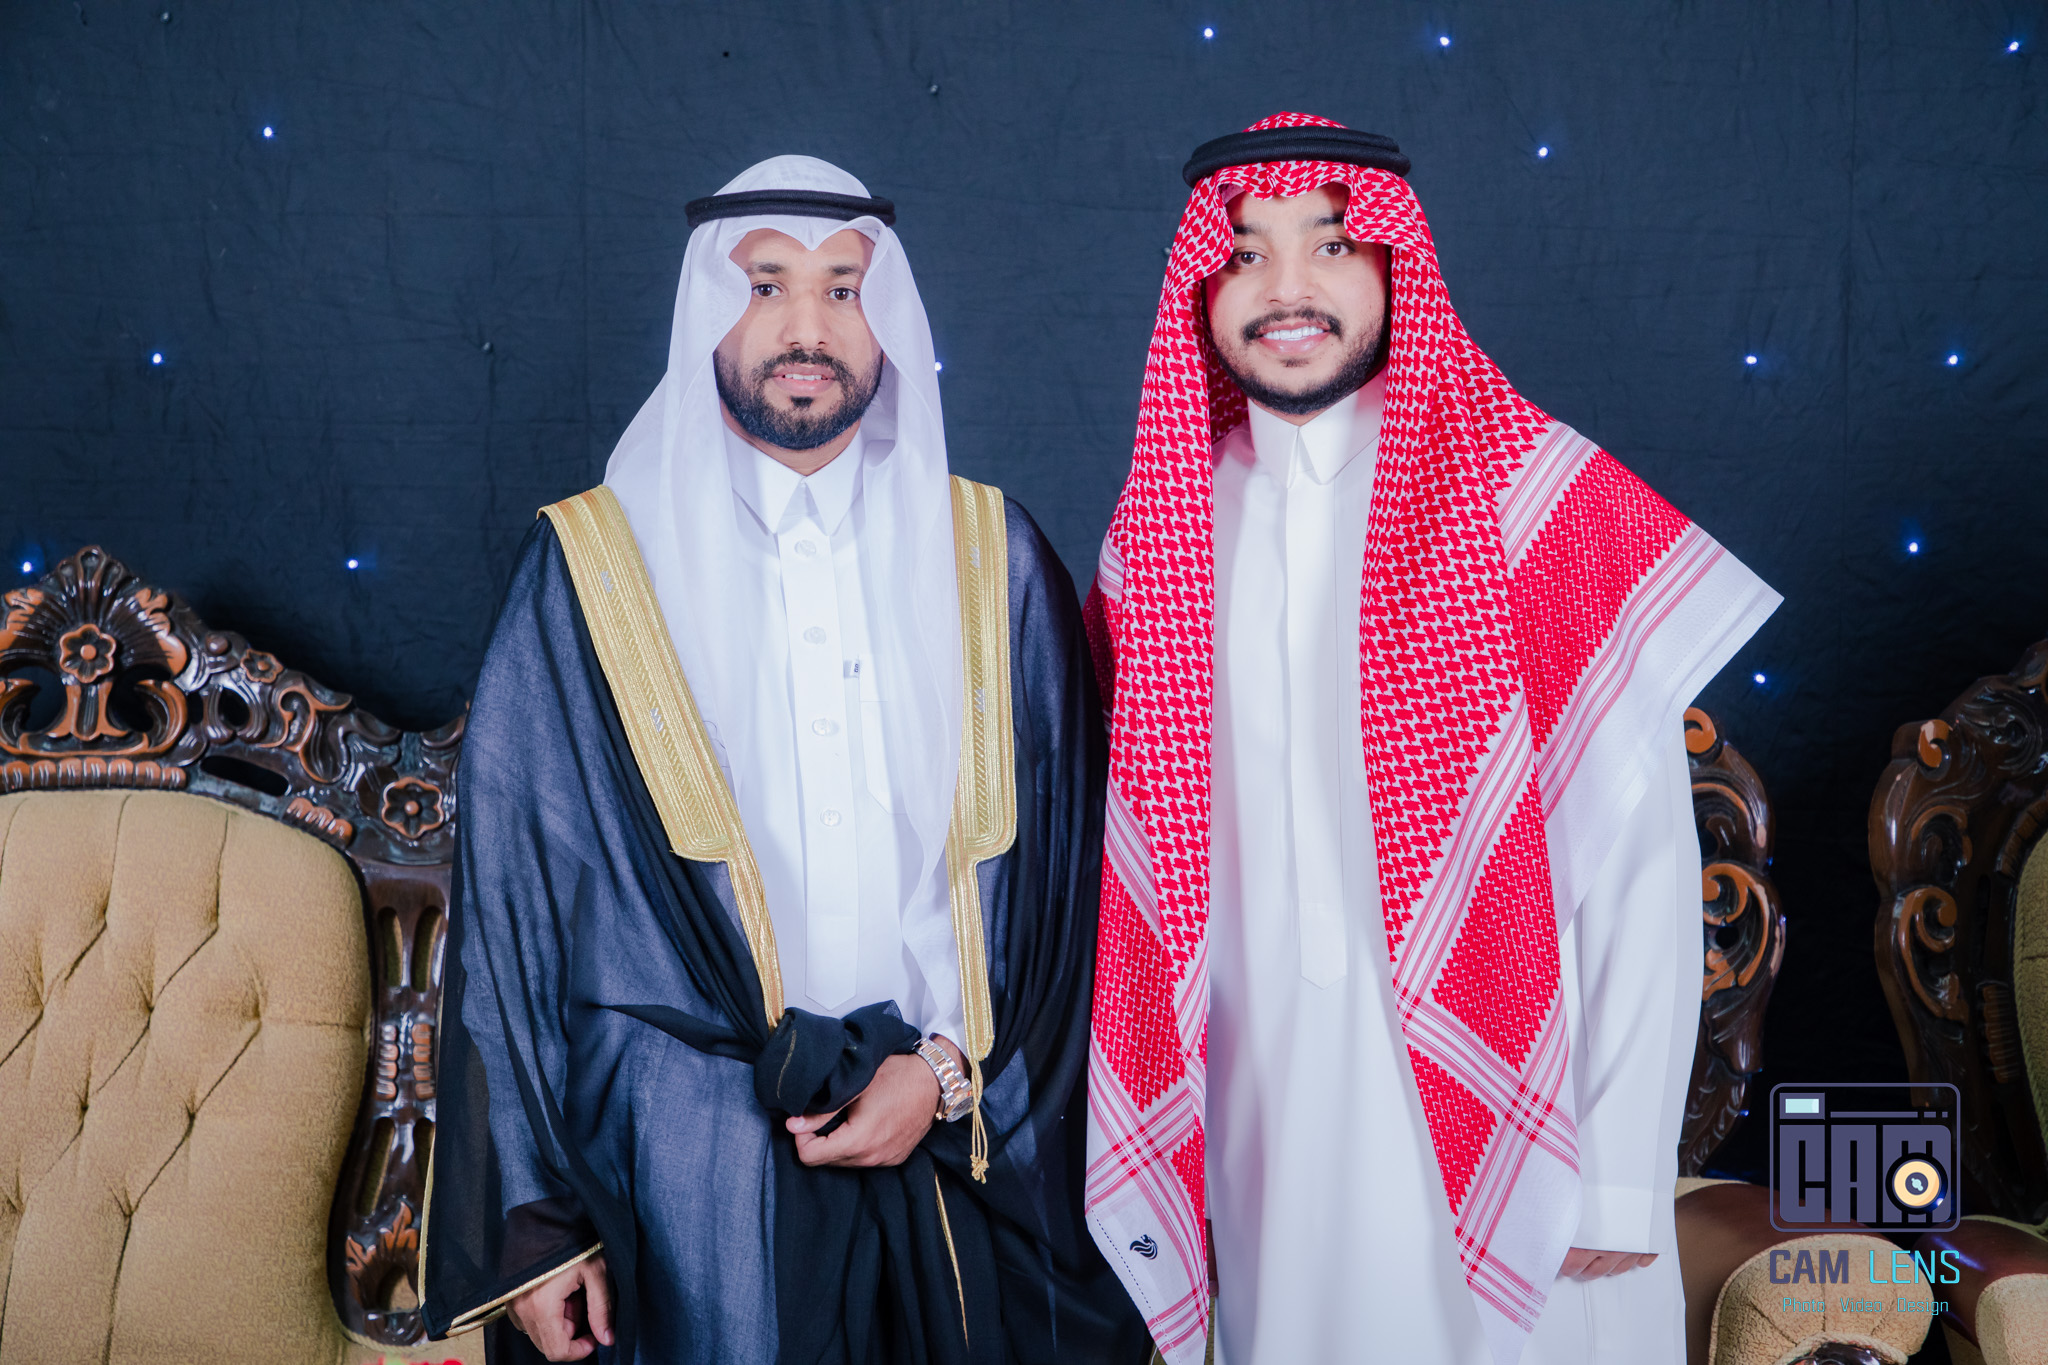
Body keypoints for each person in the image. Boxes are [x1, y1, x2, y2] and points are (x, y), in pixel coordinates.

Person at [421, 155, 1148, 1365]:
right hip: (677, 1170)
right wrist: (535, 1226)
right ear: (710, 313)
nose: (807, 328)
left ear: (885, 318)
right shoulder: (594, 568)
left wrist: (941, 1074)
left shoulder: (994, 558)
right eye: (766, 286)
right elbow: (514, 910)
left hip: (950, 1146)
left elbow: (1074, 890)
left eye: (842, 290)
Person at [1081, 115, 1780, 1365]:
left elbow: (1639, 867)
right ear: (1201, 287)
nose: (1285, 288)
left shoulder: (1531, 497)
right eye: (1243, 254)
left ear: (1392, 264)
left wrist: (1618, 1173)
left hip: (1528, 1131)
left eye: (1328, 244)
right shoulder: (1161, 533)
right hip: (1264, 1140)